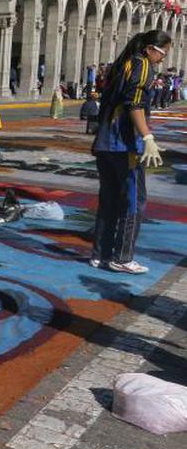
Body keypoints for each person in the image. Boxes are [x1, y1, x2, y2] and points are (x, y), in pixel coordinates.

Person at [90, 28, 170, 275]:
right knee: (134, 201)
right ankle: (123, 257)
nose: (163, 58)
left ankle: (101, 255)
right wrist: (147, 136)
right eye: (162, 52)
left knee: (109, 200)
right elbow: (134, 103)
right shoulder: (143, 65)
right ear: (149, 49)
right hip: (124, 144)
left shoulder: (122, 64)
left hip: (105, 142)